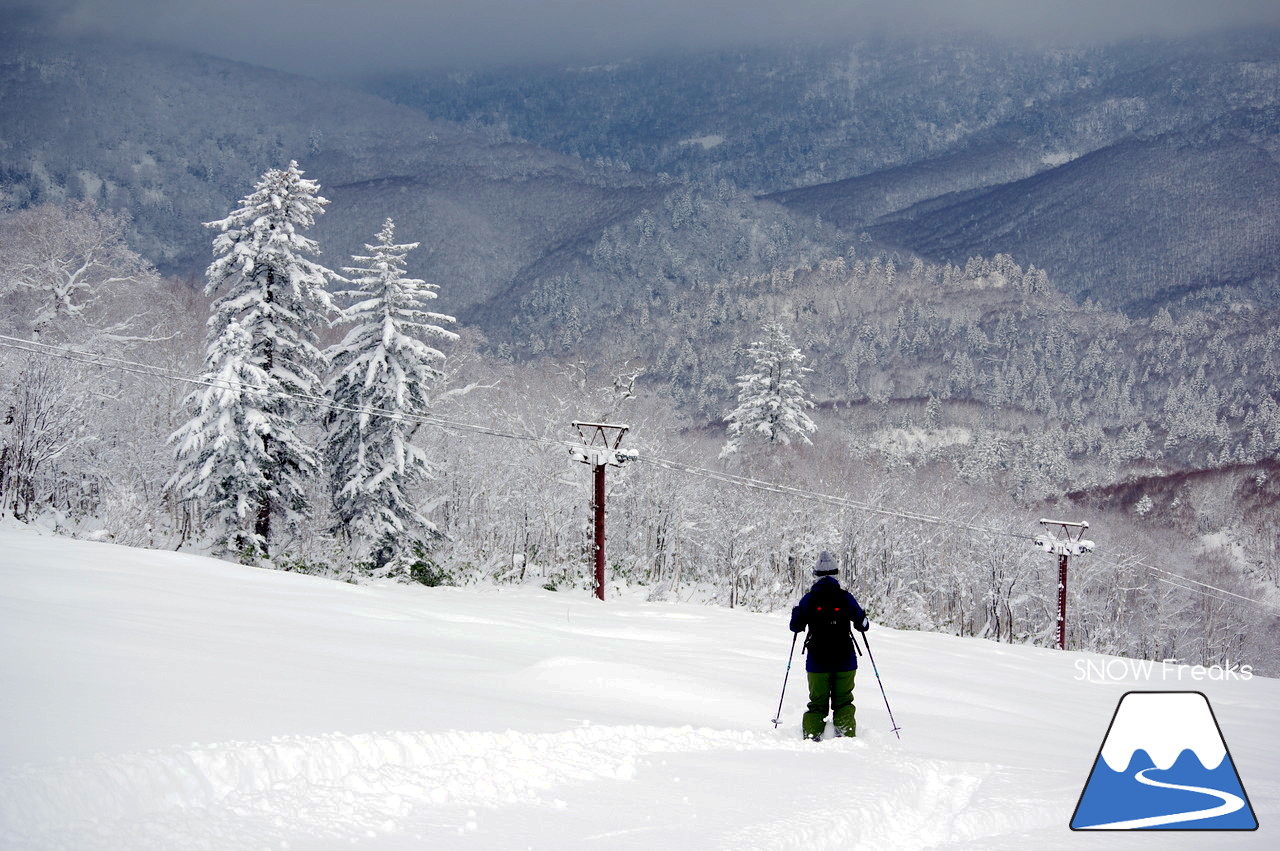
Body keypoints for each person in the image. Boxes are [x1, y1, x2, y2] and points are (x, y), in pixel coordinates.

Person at [789, 551, 869, 741]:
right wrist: (862, 617)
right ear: (835, 574)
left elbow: (795, 626)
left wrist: (796, 613)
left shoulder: (809, 599)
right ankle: (846, 736)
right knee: (843, 701)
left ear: (816, 575)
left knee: (817, 704)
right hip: (845, 661)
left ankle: (811, 737)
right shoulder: (845, 597)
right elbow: (863, 625)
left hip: (817, 662)